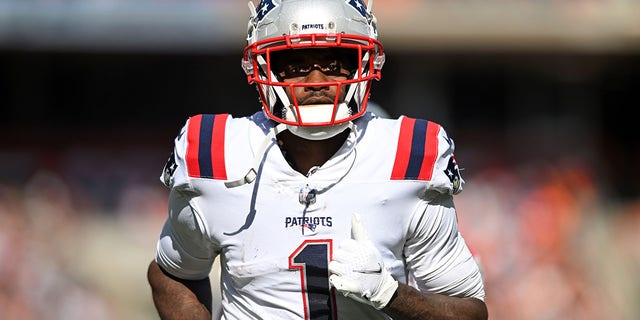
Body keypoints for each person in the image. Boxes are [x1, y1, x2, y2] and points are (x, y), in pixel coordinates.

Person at [147, 0, 488, 319]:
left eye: (334, 63)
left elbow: (468, 311)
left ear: (366, 64)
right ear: (261, 67)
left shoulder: (409, 154)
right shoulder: (215, 151)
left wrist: (390, 294)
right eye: (294, 65)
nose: (316, 82)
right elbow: (173, 273)